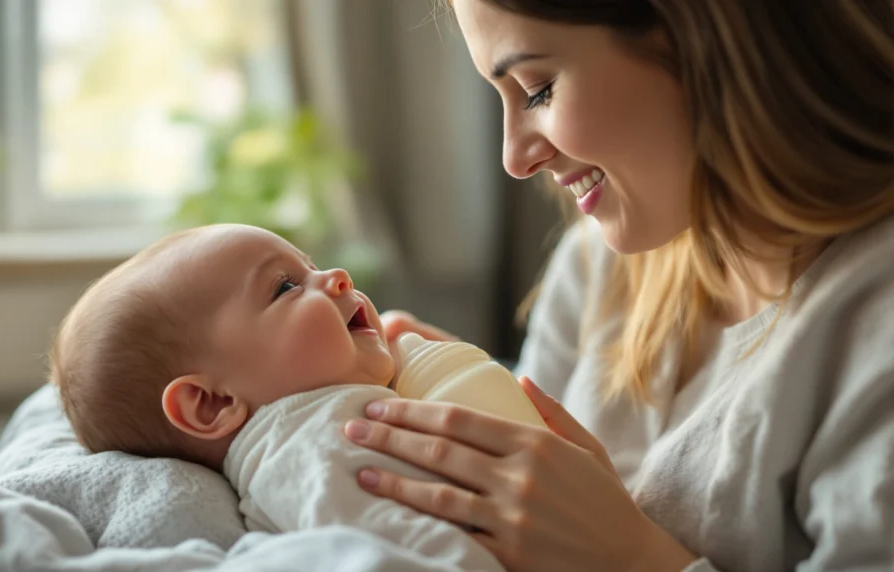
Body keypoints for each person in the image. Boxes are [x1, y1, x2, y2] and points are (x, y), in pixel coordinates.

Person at [342, 1, 894, 571]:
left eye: (538, 90)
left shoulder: (872, 327)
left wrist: (634, 558)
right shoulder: (600, 264)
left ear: (702, 37)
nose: (516, 157)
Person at [49, 223, 504, 571]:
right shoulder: (307, 451)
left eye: (311, 265)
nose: (337, 277)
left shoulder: (349, 403)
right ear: (213, 404)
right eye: (286, 287)